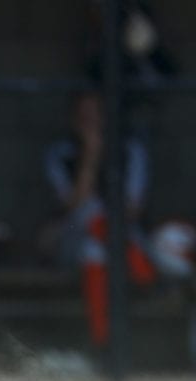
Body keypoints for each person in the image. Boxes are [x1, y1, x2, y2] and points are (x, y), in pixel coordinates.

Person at [42, 91, 156, 350]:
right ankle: (145, 274)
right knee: (90, 209)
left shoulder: (130, 150)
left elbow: (133, 210)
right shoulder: (59, 154)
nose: (90, 122)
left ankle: (103, 344)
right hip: (73, 233)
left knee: (94, 251)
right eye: (84, 116)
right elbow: (72, 206)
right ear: (73, 121)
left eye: (96, 115)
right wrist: (91, 155)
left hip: (120, 236)